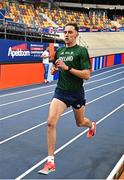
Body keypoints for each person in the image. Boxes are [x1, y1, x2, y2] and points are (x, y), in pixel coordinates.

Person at [38, 23, 96, 175]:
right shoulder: (60, 51)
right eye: (65, 32)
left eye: (70, 32)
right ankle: (50, 161)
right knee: (50, 122)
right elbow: (55, 65)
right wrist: (54, 68)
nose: (67, 34)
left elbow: (87, 75)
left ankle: (91, 125)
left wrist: (67, 68)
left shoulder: (81, 51)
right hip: (61, 93)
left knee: (80, 122)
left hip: (76, 93)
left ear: (76, 34)